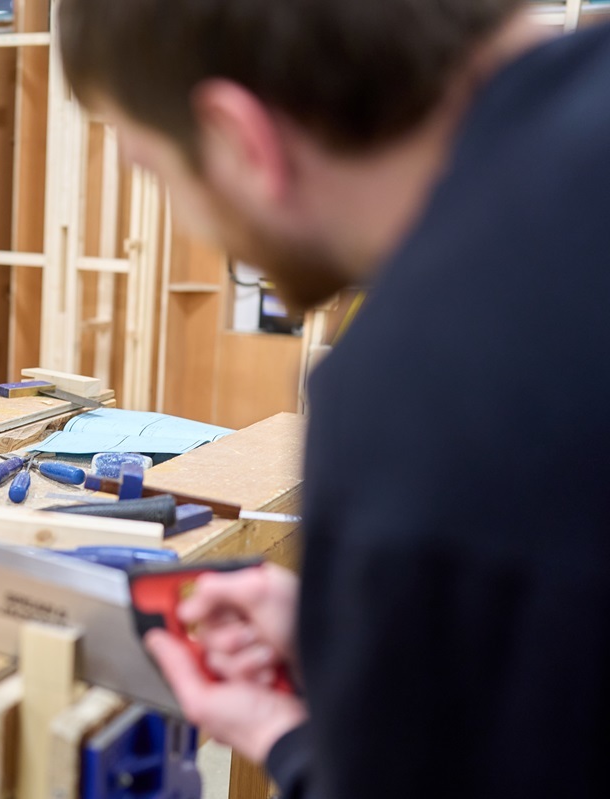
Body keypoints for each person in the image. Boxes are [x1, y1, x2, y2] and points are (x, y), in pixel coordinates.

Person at [58, 2, 610, 798]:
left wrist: (298, 747)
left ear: (236, 135)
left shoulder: (417, 381)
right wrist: (372, 645)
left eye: (154, 169)